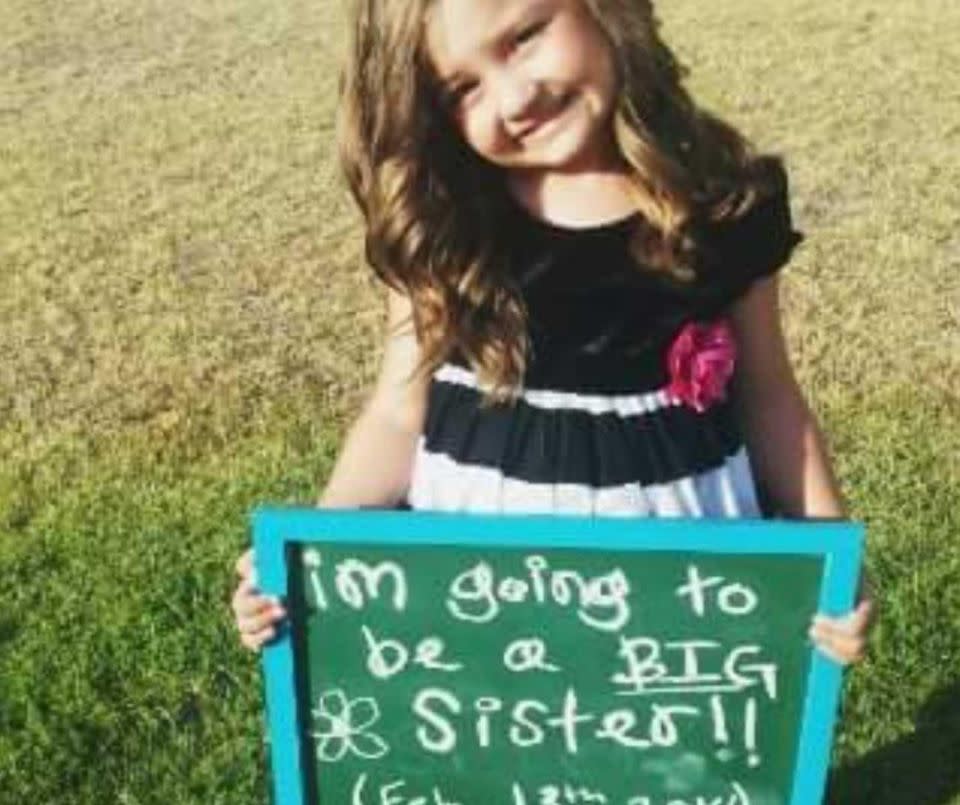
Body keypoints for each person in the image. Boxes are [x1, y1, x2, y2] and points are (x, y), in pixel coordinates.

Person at [231, 0, 874, 663]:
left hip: (680, 577)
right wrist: (312, 551)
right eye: (463, 88)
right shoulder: (447, 223)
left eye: (524, 37)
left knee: (671, 747)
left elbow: (769, 395)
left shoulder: (721, 202)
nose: (514, 98)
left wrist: (831, 553)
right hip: (480, 579)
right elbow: (398, 413)